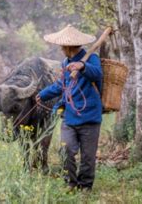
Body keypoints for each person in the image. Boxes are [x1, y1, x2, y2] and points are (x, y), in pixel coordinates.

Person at [36, 24, 103, 191]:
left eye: (61, 47)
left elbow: (98, 74)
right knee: (66, 150)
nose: (60, 49)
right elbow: (62, 85)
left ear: (68, 46)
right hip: (70, 115)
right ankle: (71, 183)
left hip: (90, 116)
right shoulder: (65, 62)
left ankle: (85, 186)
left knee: (88, 157)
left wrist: (83, 66)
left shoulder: (91, 58)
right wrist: (43, 94)